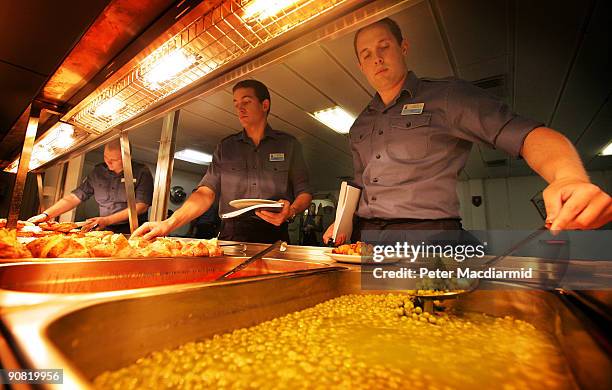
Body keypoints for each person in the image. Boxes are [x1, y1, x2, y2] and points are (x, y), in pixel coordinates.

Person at [324, 18, 612, 244]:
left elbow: (525, 134)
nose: (377, 58)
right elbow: (360, 185)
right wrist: (343, 219)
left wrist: (568, 177)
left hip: (430, 239)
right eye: (367, 54)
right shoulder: (359, 124)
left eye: (384, 46)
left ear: (403, 47)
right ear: (360, 66)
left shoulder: (448, 97)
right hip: (365, 241)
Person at [133, 79, 313, 243]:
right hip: (232, 234)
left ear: (264, 105)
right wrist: (169, 224)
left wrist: (291, 211)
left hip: (274, 234)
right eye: (236, 104)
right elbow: (205, 193)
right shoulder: (226, 147)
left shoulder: (289, 144)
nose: (239, 109)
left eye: (246, 102)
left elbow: (304, 193)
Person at [28, 140, 153, 234]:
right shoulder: (98, 172)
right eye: (106, 157)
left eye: (114, 160)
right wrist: (46, 215)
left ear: (128, 158)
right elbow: (74, 197)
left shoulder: (142, 172)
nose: (108, 163)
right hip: (104, 229)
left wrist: (107, 220)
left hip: (133, 231)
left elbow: (141, 207)